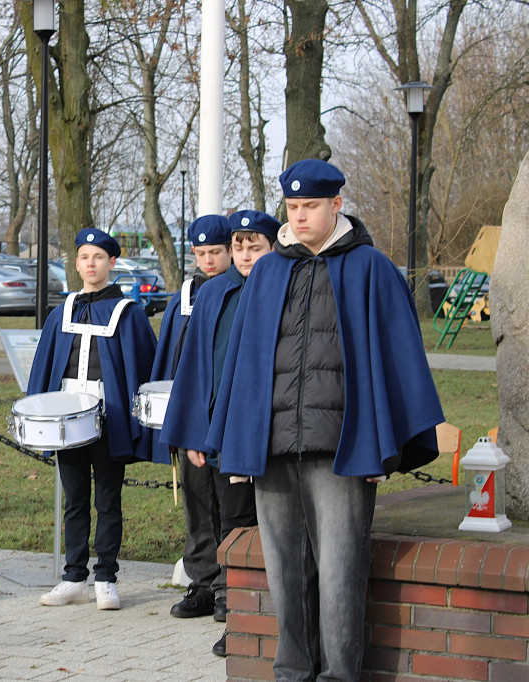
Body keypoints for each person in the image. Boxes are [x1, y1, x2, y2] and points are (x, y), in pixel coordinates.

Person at [205, 160, 444, 680]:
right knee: (285, 576)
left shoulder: (370, 268)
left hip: (343, 449)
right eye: (293, 207)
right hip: (273, 448)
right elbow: (244, 362)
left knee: (340, 575)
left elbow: (397, 359)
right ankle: (292, 673)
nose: (300, 216)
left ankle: (339, 676)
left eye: (310, 206)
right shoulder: (268, 272)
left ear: (336, 204)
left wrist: (384, 446)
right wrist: (237, 441)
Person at [161, 209, 278, 656]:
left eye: (254, 247)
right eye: (239, 247)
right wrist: (193, 431)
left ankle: (246, 607)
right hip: (218, 428)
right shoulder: (212, 294)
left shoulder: (282, 288)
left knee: (251, 521)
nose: (244, 255)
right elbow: (195, 366)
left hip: (265, 427)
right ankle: (221, 595)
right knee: (222, 516)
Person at [27, 227, 156, 610]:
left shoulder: (128, 314)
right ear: (76, 263)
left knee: (108, 499)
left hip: (109, 418)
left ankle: (106, 577)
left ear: (111, 262)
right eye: (84, 258)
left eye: (98, 257)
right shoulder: (61, 311)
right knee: (75, 498)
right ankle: (74, 577)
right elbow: (45, 366)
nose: (90, 264)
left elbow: (143, 366)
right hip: (67, 418)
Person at [149, 215, 232, 622]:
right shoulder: (183, 298)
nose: (208, 260)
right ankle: (202, 581)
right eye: (201, 253)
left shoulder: (240, 291)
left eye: (215, 252)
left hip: (226, 416)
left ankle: (230, 585)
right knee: (197, 504)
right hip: (192, 417)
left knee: (231, 505)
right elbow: (172, 358)